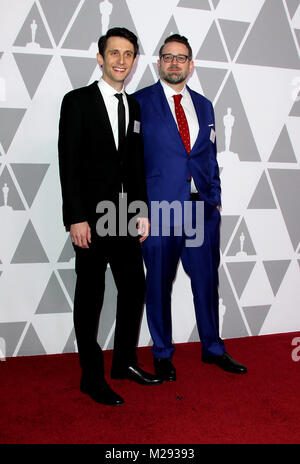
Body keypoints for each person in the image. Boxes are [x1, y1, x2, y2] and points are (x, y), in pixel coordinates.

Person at [133, 34, 247, 381]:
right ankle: (163, 354)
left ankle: (213, 348)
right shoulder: (139, 102)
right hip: (159, 211)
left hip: (201, 211)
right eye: (168, 57)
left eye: (181, 58)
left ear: (191, 64)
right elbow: (132, 163)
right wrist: (140, 211)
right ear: (158, 62)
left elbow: (208, 156)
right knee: (158, 284)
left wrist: (215, 197)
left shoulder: (205, 105)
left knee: (206, 283)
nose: (174, 63)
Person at [58, 27, 162, 406]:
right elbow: (68, 163)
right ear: (100, 58)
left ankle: (124, 363)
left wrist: (141, 211)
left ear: (134, 61)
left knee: (134, 286)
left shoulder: (133, 106)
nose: (121, 60)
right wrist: (75, 218)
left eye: (128, 54)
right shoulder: (77, 102)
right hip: (90, 218)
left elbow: (134, 164)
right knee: (91, 295)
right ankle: (91, 376)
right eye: (114, 53)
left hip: (123, 216)